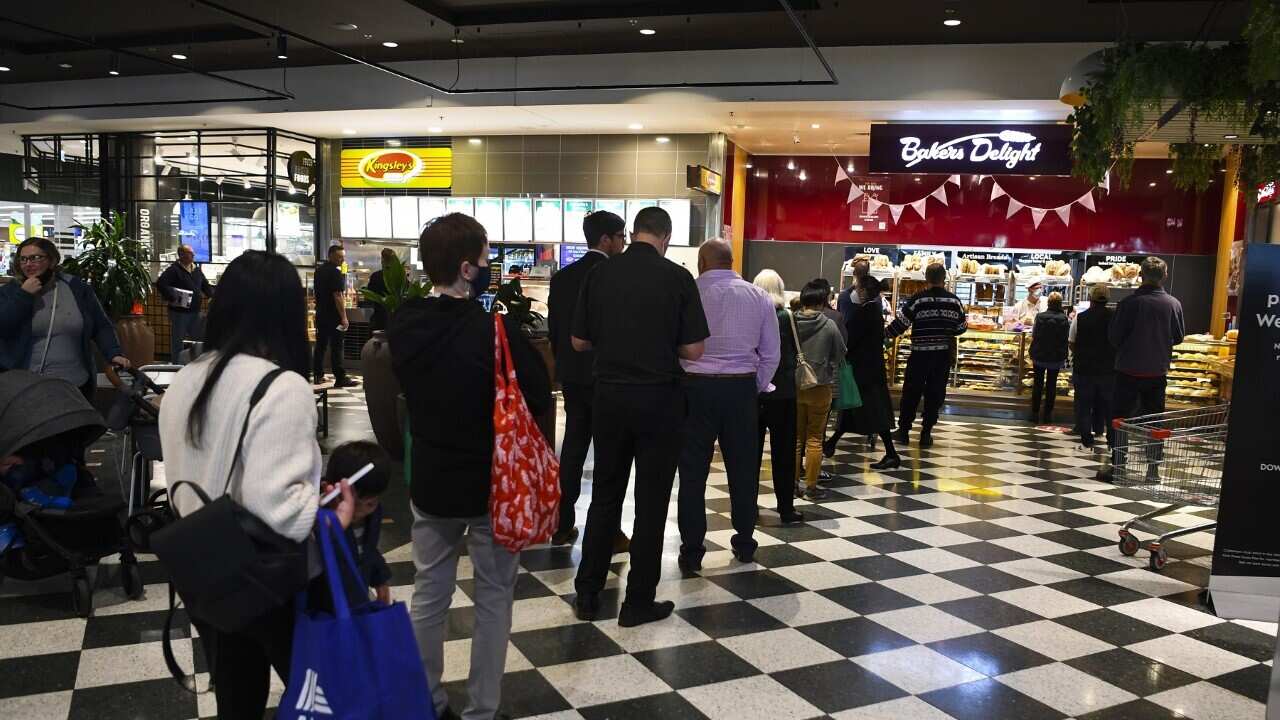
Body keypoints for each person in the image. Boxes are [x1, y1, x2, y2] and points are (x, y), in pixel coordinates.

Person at [157, 250, 357, 720]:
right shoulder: (281, 386)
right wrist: (332, 513)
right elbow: (279, 508)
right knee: (319, 695)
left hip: (204, 564)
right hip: (267, 576)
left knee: (237, 695)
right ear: (287, 312)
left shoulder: (186, 379)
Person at [390, 213, 551, 720]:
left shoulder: (404, 324)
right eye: (484, 260)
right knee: (494, 597)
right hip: (491, 485)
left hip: (432, 480)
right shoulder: (493, 332)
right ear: (465, 268)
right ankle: (482, 709)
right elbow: (539, 395)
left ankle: (427, 701)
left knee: (428, 593)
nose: (488, 269)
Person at [571, 206, 708, 627]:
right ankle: (637, 603)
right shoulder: (678, 278)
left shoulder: (601, 273)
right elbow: (694, 351)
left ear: (631, 233)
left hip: (609, 397)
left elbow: (578, 341)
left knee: (606, 495)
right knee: (651, 504)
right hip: (659, 401)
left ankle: (589, 592)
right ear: (665, 237)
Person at [677, 239, 780, 570]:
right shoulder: (758, 296)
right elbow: (771, 353)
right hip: (740, 392)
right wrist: (755, 385)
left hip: (694, 390)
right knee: (743, 469)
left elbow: (673, 344)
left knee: (692, 473)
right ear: (731, 261)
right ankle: (745, 541)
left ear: (702, 262)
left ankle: (692, 550)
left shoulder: (688, 292)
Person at [546, 210, 631, 550]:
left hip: (573, 377)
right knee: (610, 456)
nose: (624, 244)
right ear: (606, 239)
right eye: (621, 237)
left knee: (573, 451)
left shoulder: (563, 278)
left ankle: (562, 525)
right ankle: (608, 533)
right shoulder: (617, 275)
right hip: (608, 379)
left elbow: (555, 332)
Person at [0, 237, 130, 397]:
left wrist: (114, 353)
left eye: (35, 258)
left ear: (52, 260)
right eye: (23, 259)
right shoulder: (9, 293)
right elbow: (4, 327)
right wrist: (24, 296)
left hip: (75, 384)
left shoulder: (76, 288)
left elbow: (101, 325)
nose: (28, 264)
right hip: (27, 386)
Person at [1103, 256, 1184, 481]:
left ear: (1141, 276)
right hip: (1157, 373)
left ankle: (1119, 465)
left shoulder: (1129, 304)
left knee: (1120, 420)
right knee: (1155, 423)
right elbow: (1178, 338)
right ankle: (1153, 470)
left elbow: (1114, 337)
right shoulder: (1173, 304)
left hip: (1127, 371)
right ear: (1165, 276)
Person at [888, 262, 966, 448]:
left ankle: (904, 431)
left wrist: (883, 334)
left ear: (926, 278)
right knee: (935, 394)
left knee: (911, 392)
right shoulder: (954, 301)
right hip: (942, 357)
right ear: (944, 278)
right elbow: (961, 328)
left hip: (920, 355)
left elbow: (900, 325)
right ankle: (926, 433)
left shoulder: (918, 300)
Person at [753, 270, 803, 524]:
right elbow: (792, 353)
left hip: (755, 393)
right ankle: (785, 508)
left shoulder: (751, 314)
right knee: (783, 453)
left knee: (750, 454)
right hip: (783, 393)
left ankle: (748, 506)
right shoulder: (786, 316)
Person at [836, 275, 900, 469]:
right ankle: (831, 443)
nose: (854, 292)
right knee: (856, 409)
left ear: (863, 291)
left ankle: (891, 454)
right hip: (872, 368)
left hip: (865, 371)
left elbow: (850, 339)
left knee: (872, 410)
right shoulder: (873, 310)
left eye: (857, 288)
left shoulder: (864, 312)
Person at [793, 279, 847, 501]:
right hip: (820, 386)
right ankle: (811, 487)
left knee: (796, 438)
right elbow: (840, 354)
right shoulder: (829, 325)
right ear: (823, 301)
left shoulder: (791, 322)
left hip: (795, 387)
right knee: (815, 438)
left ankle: (792, 484)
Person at [323, 440, 392, 604]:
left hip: (358, 597)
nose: (370, 507)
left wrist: (380, 580)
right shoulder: (322, 520)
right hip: (326, 606)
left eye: (375, 500)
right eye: (362, 499)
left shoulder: (372, 515)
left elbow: (369, 550)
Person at [1071, 284, 1115, 450]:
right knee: (1109, 406)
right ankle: (1111, 439)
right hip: (1108, 370)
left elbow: (1072, 342)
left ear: (1090, 298)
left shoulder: (1080, 318)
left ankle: (1087, 439)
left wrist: (1082, 353)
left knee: (1084, 405)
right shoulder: (1115, 317)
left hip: (1085, 368)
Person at [156, 243, 214, 362]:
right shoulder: (174, 270)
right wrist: (172, 297)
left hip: (195, 312)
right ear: (181, 255)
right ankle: (176, 365)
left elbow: (205, 285)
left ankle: (198, 363)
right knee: (178, 340)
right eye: (189, 253)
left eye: (192, 253)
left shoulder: (196, 269)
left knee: (199, 339)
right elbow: (161, 283)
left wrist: (212, 296)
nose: (192, 255)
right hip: (179, 313)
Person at [312, 244, 357, 388]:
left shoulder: (319, 271)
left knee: (321, 345)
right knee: (337, 346)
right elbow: (338, 295)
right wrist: (344, 317)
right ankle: (340, 377)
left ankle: (318, 375)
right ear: (330, 255)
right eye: (339, 257)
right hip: (334, 316)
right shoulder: (335, 273)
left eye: (343, 257)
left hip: (321, 314)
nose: (342, 259)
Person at [1029, 291, 1070, 424]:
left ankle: (1034, 413)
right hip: (1056, 357)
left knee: (1038, 384)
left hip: (1039, 355)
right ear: (1060, 304)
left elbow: (1034, 334)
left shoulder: (1040, 317)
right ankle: (1048, 414)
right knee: (1051, 385)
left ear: (1048, 303)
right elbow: (1066, 338)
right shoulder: (1064, 319)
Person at [363, 248, 399, 332]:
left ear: (382, 260)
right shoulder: (399, 275)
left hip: (379, 317)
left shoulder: (376, 276)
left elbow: (369, 297)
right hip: (395, 318)